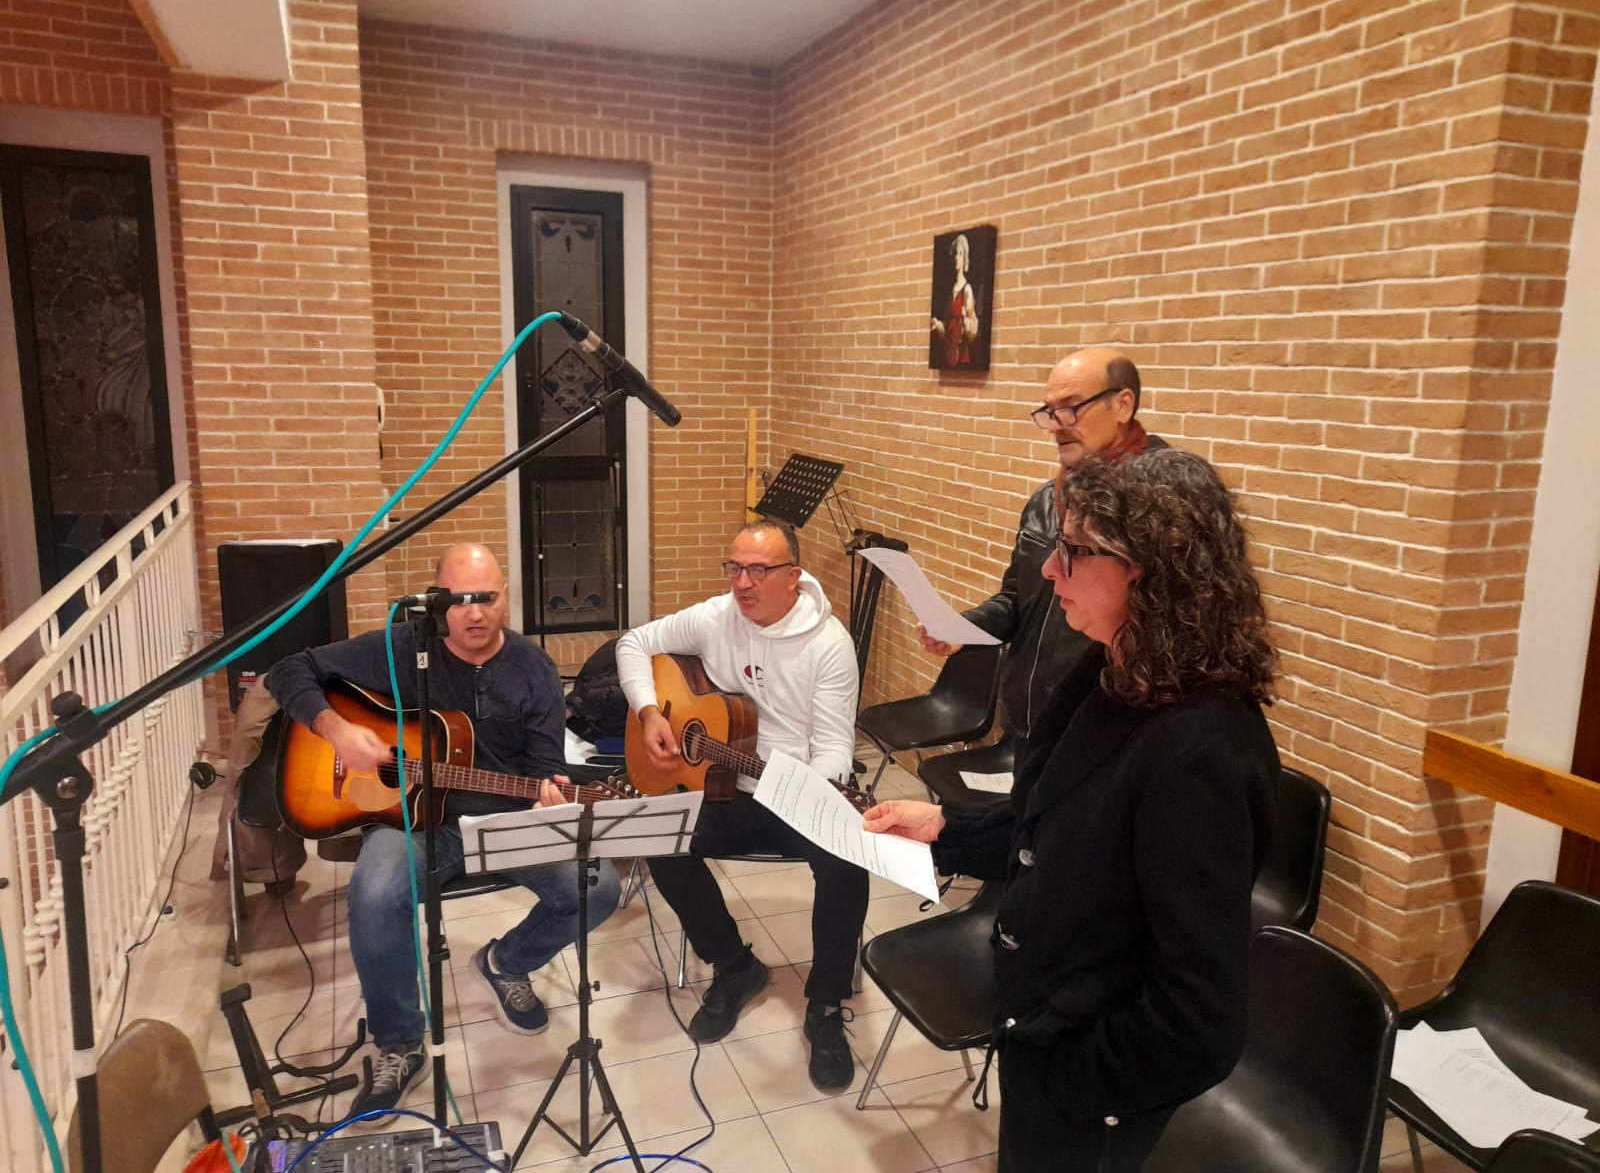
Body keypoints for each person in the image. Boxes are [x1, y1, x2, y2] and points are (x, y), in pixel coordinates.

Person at [866, 449, 1280, 1172]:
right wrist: (946, 829)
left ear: (1148, 569)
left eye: (1074, 550)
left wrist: (1065, 1081)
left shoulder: (1200, 752)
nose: (1050, 571)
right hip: (1046, 1021)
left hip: (1090, 1078)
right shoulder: (1111, 670)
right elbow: (1062, 832)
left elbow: (1199, 1020)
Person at [267, 543, 621, 1116]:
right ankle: (400, 1043)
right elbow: (289, 669)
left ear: (507, 596)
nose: (474, 613)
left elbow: (542, 768)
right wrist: (335, 729)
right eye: (459, 600)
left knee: (598, 887)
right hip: (411, 819)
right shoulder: (404, 648)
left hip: (503, 817)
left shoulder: (533, 669)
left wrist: (549, 794)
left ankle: (506, 962)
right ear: (436, 603)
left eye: (487, 598)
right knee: (374, 892)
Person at [615, 520, 867, 1091]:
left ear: (794, 576)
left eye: (759, 570)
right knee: (660, 838)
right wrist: (651, 713)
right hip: (726, 788)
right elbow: (633, 643)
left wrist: (815, 790)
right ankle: (735, 966)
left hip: (798, 793)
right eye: (735, 568)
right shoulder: (715, 616)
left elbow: (833, 745)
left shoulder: (829, 644)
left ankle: (826, 1003)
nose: (743, 582)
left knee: (847, 863)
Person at [921, 345, 1167, 755]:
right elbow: (1017, 601)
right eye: (1050, 411)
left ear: (1123, 405)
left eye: (1071, 408)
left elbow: (1171, 635)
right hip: (1029, 726)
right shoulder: (1047, 501)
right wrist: (962, 629)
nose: (1055, 426)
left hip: (1101, 735)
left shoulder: (1162, 506)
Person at [930, 231, 981, 366]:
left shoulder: (967, 289)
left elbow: (972, 325)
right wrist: (939, 325)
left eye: (960, 254)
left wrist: (965, 322)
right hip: (948, 351)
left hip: (961, 353)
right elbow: (947, 327)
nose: (956, 258)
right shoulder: (950, 290)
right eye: (955, 254)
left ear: (965, 258)